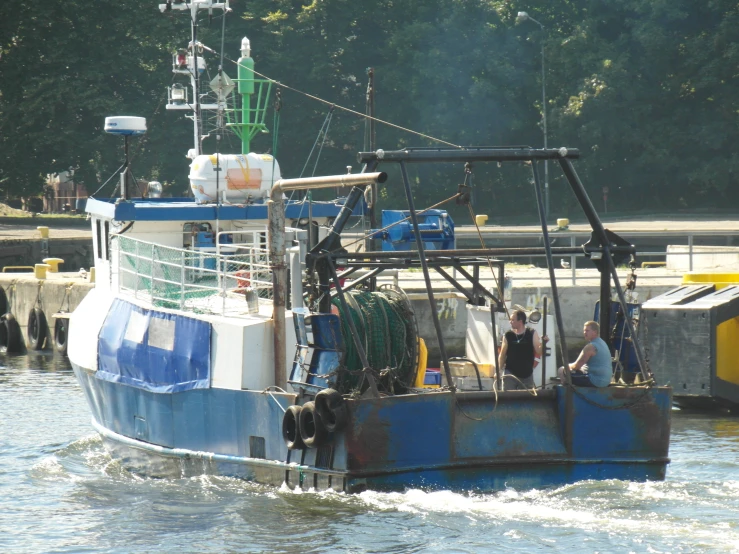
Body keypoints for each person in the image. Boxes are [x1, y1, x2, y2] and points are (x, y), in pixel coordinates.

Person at [497, 309, 547, 390]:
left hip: (527, 375)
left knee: (526, 399)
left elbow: (539, 351)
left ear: (520, 322)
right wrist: (498, 371)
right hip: (510, 374)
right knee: (507, 398)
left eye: (513, 320)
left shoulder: (532, 333)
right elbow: (502, 355)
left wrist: (544, 343)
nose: (510, 322)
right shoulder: (508, 335)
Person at [558, 320, 612, 387]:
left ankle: (566, 391)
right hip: (605, 380)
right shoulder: (602, 343)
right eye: (584, 330)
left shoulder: (591, 347)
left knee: (562, 370)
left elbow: (576, 366)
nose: (584, 333)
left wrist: (566, 366)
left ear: (595, 332)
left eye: (587, 331)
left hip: (595, 380)